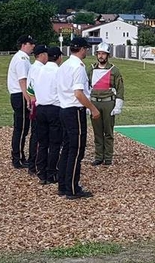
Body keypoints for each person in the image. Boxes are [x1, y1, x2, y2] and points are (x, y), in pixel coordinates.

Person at [56, 37, 100, 199]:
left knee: (67, 149)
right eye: (86, 48)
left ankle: (63, 184)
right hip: (74, 110)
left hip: (64, 109)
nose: (87, 51)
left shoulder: (64, 65)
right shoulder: (79, 67)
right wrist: (93, 109)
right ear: (81, 49)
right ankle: (72, 188)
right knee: (76, 151)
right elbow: (78, 93)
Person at [88, 42, 125, 166]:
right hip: (94, 103)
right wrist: (88, 104)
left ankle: (108, 158)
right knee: (97, 132)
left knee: (108, 132)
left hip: (108, 102)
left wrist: (118, 104)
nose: (101, 56)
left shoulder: (114, 70)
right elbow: (86, 87)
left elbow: (120, 88)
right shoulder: (91, 69)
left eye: (103, 53)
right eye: (99, 53)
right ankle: (99, 156)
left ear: (108, 55)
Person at [34, 47, 63, 185]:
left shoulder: (40, 70)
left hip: (40, 108)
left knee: (43, 142)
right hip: (54, 108)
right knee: (55, 143)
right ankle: (52, 172)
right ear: (57, 57)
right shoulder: (58, 71)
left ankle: (41, 172)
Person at [7, 35, 35, 169]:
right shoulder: (22, 59)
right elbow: (22, 80)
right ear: (24, 44)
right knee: (21, 128)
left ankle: (19, 155)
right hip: (20, 95)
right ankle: (17, 157)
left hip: (18, 94)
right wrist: (28, 98)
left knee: (21, 128)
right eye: (31, 43)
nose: (33, 46)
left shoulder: (20, 57)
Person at [26, 44, 49, 175]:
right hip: (38, 103)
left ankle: (33, 163)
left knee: (35, 134)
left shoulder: (34, 67)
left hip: (35, 102)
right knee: (37, 135)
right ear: (42, 55)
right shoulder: (39, 69)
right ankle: (34, 163)